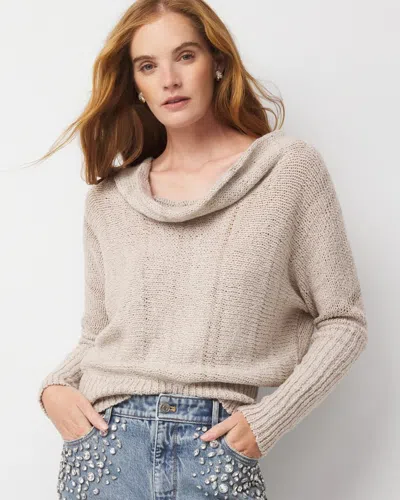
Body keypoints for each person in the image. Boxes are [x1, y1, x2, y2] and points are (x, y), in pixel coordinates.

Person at [36, 1, 368, 498]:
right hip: (106, 450)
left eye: (185, 56)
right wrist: (54, 389)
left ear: (217, 63)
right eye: (148, 66)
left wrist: (268, 420)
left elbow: (344, 321)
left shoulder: (288, 171)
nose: (169, 79)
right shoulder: (110, 201)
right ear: (136, 85)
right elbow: (98, 336)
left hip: (215, 450)